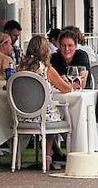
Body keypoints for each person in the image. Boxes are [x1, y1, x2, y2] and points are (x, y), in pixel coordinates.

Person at [20, 34, 80, 169]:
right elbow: (66, 88)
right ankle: (47, 157)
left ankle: (17, 158)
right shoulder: (46, 69)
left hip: (22, 116)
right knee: (55, 117)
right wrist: (71, 84)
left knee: (51, 114)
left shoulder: (20, 68)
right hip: (42, 116)